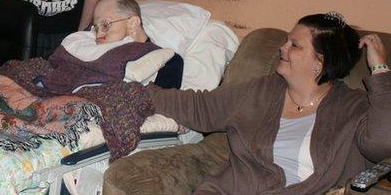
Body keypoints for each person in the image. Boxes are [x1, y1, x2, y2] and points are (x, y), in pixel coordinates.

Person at [146, 13, 391, 193]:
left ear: (320, 62)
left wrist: (380, 70)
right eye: (286, 40)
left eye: (294, 45)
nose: (282, 48)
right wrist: (139, 93)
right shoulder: (261, 91)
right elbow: (200, 107)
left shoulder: (354, 108)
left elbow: (382, 145)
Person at [91, 0, 183, 89]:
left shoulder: (168, 62)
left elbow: (157, 102)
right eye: (96, 29)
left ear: (132, 24)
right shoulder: (90, 52)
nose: (98, 36)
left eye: (105, 25)